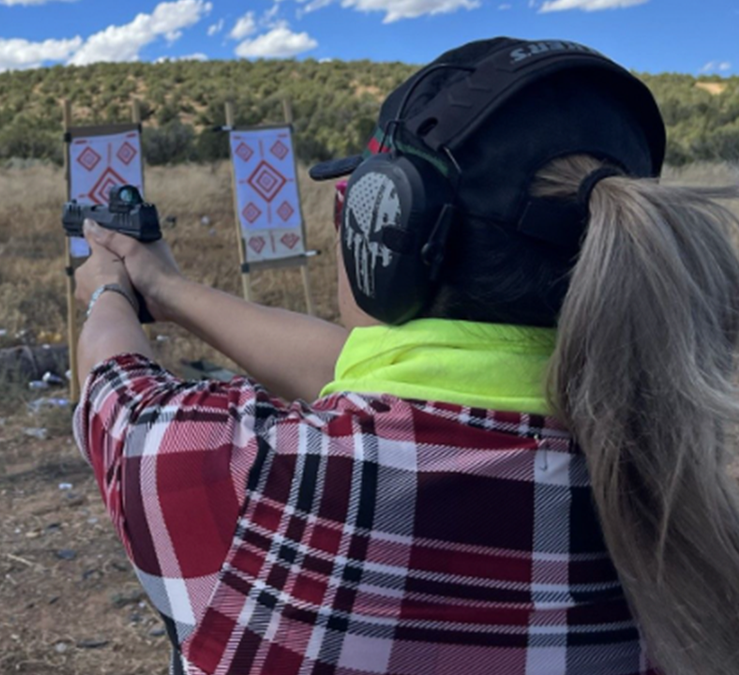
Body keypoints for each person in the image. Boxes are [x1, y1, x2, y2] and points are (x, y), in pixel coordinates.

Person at [71, 37, 739, 675]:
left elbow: (113, 383)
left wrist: (107, 286)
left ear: (382, 232)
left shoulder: (247, 484)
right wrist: (169, 288)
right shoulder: (688, 491)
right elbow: (379, 373)